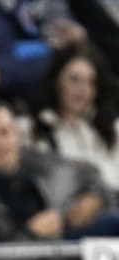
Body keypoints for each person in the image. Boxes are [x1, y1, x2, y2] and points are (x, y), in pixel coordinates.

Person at [0, 97, 119, 260]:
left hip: (67, 256)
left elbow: (92, 176)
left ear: (17, 134)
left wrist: (95, 196)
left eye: (4, 132)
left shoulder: (42, 163)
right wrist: (32, 236)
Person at [26, 41, 119, 198]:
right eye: (74, 79)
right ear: (56, 80)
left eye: (91, 82)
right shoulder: (31, 128)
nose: (82, 90)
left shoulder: (111, 127)